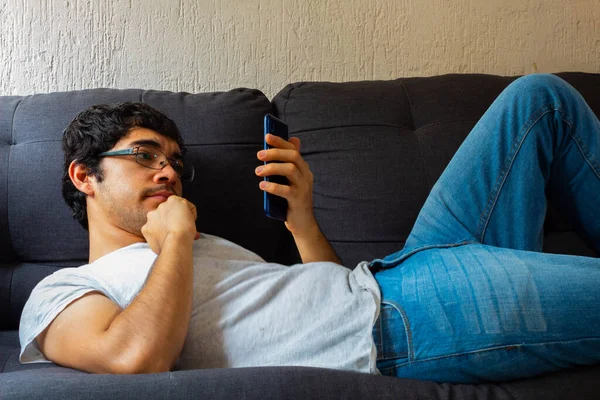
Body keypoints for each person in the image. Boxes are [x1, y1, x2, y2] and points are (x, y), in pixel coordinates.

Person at [18, 74, 600, 383]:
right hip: (404, 319)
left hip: (396, 274)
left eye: (174, 159)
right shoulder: (63, 291)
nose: (169, 170)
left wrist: (302, 219)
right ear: (84, 175)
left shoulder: (212, 247)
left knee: (538, 100)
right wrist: (171, 238)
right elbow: (132, 359)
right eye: (145, 155)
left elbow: (326, 297)